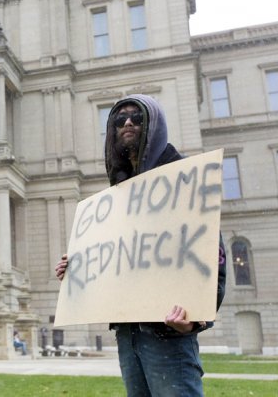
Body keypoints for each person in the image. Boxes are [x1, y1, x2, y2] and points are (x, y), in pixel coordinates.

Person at [54, 94, 226, 396]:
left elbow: (212, 256)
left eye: (137, 117)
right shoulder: (118, 193)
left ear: (154, 125)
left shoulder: (183, 176)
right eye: (120, 119)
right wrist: (78, 267)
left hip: (167, 332)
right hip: (127, 332)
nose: (128, 123)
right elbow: (122, 261)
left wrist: (196, 319)